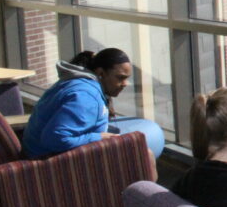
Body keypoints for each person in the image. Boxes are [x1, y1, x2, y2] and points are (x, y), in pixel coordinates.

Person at [23, 48, 165, 159]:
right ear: (100, 72)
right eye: (120, 78)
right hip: (48, 161)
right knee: (146, 156)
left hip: (37, 150)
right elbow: (54, 138)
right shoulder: (86, 98)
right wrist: (97, 137)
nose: (125, 84)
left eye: (127, 78)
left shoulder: (78, 83)